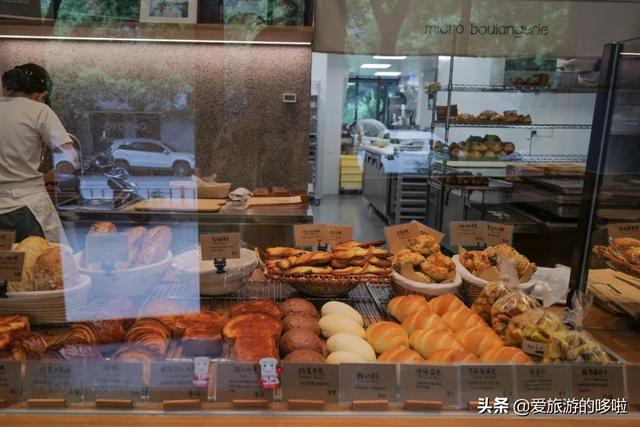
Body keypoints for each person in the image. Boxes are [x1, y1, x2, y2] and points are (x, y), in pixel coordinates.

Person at [0, 63, 78, 243]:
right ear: (42, 96)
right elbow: (70, 158)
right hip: (26, 208)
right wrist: (49, 177)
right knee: (40, 258)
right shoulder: (39, 110)